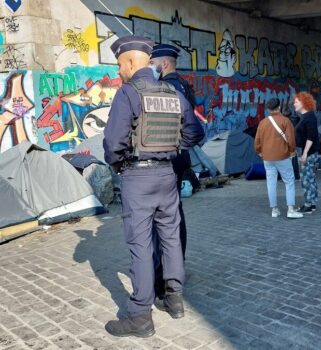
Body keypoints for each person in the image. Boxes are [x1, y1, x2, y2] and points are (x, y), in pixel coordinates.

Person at [103, 35, 204, 338]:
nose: (119, 70)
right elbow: (195, 132)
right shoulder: (172, 92)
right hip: (166, 176)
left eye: (120, 64)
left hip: (137, 177)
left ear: (132, 62)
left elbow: (112, 144)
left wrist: (121, 164)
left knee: (141, 245)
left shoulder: (128, 93)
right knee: (171, 238)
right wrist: (173, 149)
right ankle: (174, 300)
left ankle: (140, 316)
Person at [149, 43, 204, 298]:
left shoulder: (167, 87)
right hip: (180, 159)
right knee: (174, 214)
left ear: (164, 63)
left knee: (164, 220)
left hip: (168, 160)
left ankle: (165, 274)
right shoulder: (184, 85)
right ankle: (176, 265)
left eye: (153, 63)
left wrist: (174, 147)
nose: (151, 68)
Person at [255, 98, 303, 219]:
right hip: (282, 156)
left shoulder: (262, 123)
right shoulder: (285, 121)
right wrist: (292, 151)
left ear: (268, 109)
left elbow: (257, 142)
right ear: (279, 107)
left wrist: (260, 152)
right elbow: (291, 140)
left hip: (267, 158)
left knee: (271, 183)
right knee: (289, 181)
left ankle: (274, 210)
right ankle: (290, 210)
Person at [293, 92, 320, 214]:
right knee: (311, 178)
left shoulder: (309, 117)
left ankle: (308, 204)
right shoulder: (306, 116)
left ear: (303, 103)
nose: (294, 104)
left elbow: (311, 136)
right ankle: (312, 203)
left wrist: (304, 154)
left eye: (296, 102)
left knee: (306, 179)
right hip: (308, 151)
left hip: (308, 152)